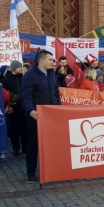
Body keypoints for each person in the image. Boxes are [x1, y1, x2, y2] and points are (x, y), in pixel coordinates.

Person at [21, 51, 60, 183]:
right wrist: (30, 110)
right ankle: (30, 173)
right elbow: (26, 95)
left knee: (51, 144)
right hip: (35, 116)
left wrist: (58, 108)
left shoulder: (51, 74)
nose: (53, 62)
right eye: (50, 59)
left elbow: (55, 93)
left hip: (51, 115)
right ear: (41, 61)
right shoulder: (30, 75)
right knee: (33, 144)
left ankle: (50, 170)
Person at [1, 60, 26, 156]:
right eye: (19, 67)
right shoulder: (6, 79)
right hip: (12, 108)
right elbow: (3, 94)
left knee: (24, 129)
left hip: (23, 107)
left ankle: (25, 148)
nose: (21, 68)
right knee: (14, 129)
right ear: (15, 68)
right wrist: (7, 106)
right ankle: (16, 148)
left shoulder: (23, 78)